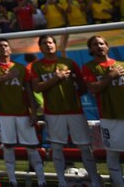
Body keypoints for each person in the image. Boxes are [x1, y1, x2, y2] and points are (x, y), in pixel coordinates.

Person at [30, 35, 101, 187]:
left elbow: (82, 88)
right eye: (44, 43)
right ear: (40, 48)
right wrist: (56, 78)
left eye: (50, 42)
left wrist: (71, 88)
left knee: (84, 147)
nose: (48, 45)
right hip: (53, 112)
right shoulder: (37, 66)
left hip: (75, 111)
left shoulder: (69, 63)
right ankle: (62, 182)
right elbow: (36, 87)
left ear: (55, 45)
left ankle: (94, 180)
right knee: (57, 147)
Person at [0, 39, 46, 187]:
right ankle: (12, 180)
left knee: (31, 146)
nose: (3, 48)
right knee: (8, 145)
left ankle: (42, 180)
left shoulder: (21, 68)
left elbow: (29, 90)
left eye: (5, 46)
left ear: (10, 50)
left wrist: (33, 111)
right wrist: (6, 77)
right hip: (3, 113)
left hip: (23, 112)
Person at [81, 35, 124, 186]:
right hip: (108, 116)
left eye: (101, 43)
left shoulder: (121, 64)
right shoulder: (89, 67)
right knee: (112, 154)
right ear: (90, 49)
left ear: (107, 46)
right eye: (94, 44)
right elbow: (93, 88)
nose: (99, 46)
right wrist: (111, 75)